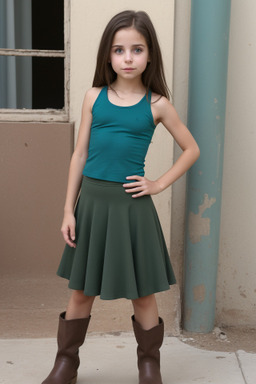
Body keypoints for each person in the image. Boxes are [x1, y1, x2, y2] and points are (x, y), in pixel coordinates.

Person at [41, 9, 200, 384]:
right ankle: (66, 364)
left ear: (149, 55)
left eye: (137, 49)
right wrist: (68, 210)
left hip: (132, 210)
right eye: (119, 50)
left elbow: (191, 148)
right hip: (91, 206)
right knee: (80, 292)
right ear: (108, 55)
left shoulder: (157, 104)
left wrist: (157, 184)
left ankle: (149, 368)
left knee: (143, 295)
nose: (128, 58)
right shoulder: (94, 97)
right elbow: (79, 155)